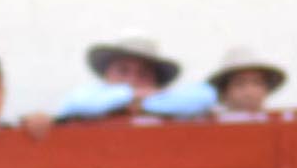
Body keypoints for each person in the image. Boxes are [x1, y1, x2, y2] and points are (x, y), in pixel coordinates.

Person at [56, 34, 217, 120]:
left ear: (155, 80)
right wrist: (131, 95)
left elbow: (205, 96)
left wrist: (144, 105)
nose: (132, 80)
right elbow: (77, 104)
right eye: (123, 71)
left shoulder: (165, 98)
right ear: (107, 75)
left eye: (143, 73)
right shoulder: (90, 94)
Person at [208, 47, 290, 116]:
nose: (249, 92)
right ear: (224, 92)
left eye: (257, 83)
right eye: (239, 84)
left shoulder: (283, 125)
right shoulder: (208, 127)